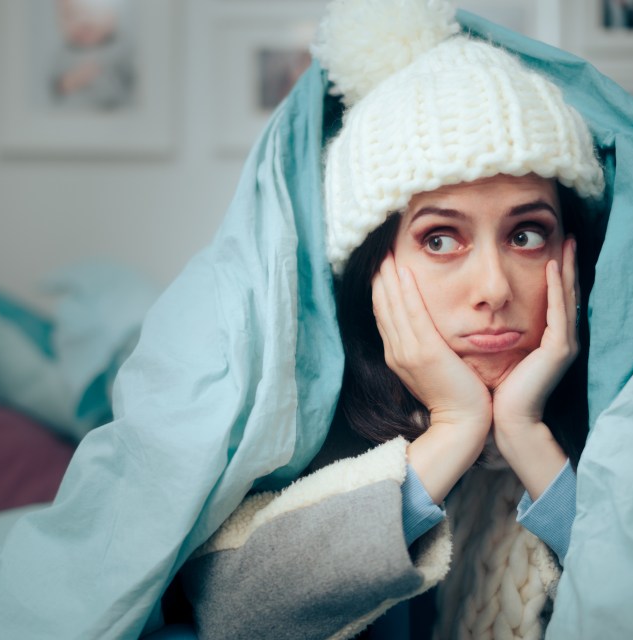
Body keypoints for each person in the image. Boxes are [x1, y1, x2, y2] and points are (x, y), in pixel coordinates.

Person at [178, 0, 607, 637]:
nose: (492, 287)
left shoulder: (628, 422)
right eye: (440, 239)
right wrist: (454, 432)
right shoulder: (308, 430)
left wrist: (527, 440)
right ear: (372, 268)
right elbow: (232, 616)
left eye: (526, 235)